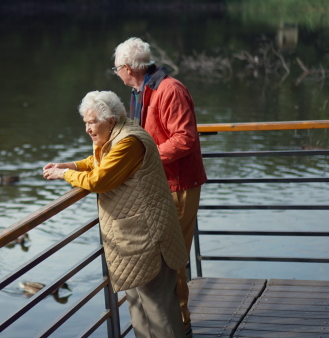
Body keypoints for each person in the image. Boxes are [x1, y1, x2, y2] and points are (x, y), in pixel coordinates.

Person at [43, 90, 188, 337]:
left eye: (92, 122)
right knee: (139, 309)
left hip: (148, 239)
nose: (88, 129)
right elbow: (101, 161)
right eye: (85, 123)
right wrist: (73, 165)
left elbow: (100, 179)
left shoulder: (129, 141)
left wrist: (64, 174)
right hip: (132, 238)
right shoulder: (117, 135)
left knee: (159, 310)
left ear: (110, 120)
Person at [112, 37, 208, 337]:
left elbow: (185, 138)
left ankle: (180, 325)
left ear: (128, 68)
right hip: (160, 185)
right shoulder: (141, 91)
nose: (116, 73)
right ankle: (170, 325)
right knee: (164, 259)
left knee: (173, 260)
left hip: (178, 185)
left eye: (116, 68)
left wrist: (147, 156)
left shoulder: (170, 89)